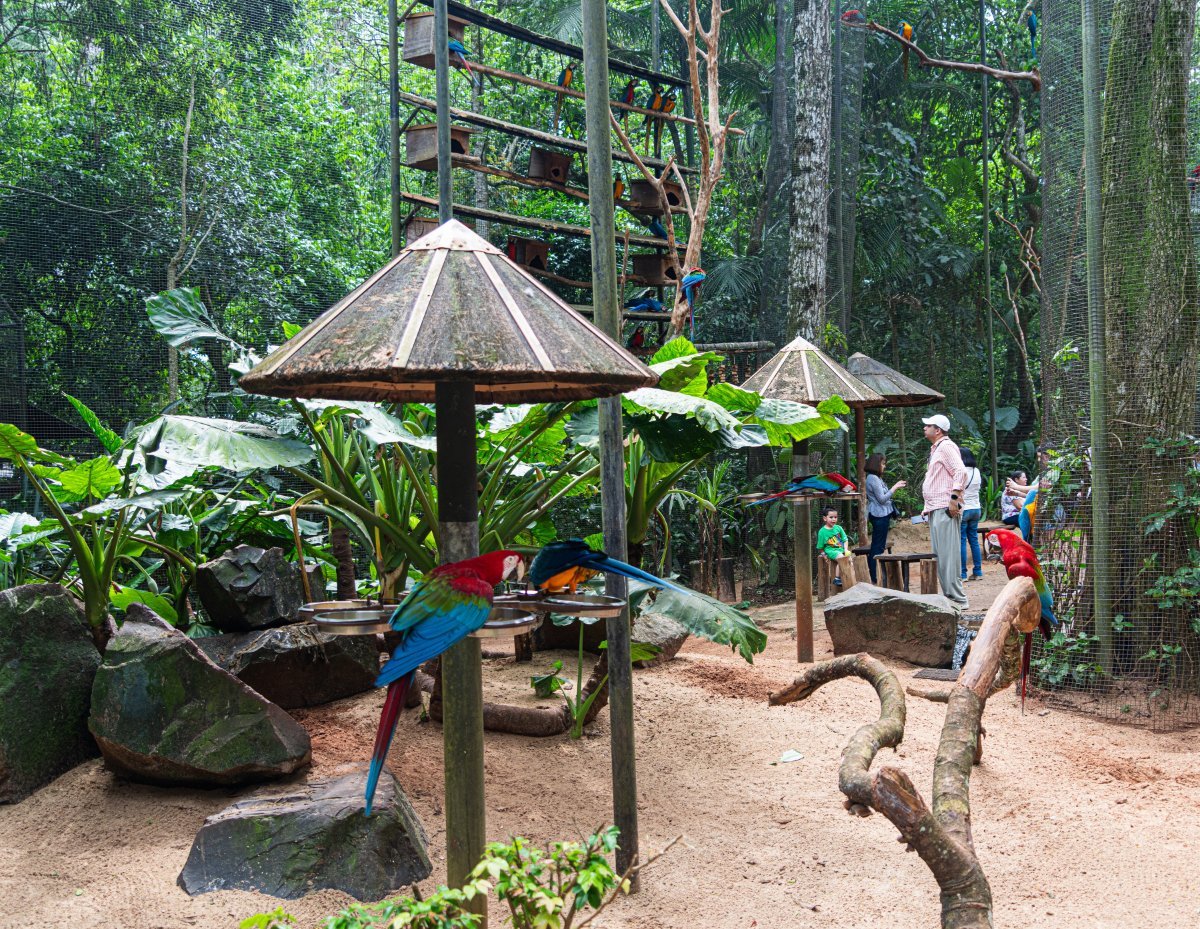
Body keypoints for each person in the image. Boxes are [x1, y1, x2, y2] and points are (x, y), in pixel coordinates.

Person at [920, 414, 969, 608]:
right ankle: (950, 597)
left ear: (938, 430)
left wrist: (954, 498)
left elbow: (961, 471)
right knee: (940, 556)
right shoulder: (936, 448)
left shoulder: (947, 446)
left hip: (945, 508)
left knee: (948, 556)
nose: (924, 428)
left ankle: (958, 599)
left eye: (928, 425)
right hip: (936, 508)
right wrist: (927, 507)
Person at [864, 453, 906, 584]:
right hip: (879, 515)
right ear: (876, 464)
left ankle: (877, 576)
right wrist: (895, 487)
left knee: (879, 546)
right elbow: (882, 499)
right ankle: (874, 577)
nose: (884, 466)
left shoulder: (876, 478)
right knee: (877, 547)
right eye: (882, 463)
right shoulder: (873, 478)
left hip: (882, 515)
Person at [958, 448, 983, 582]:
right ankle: (978, 571)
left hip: (964, 509)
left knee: (962, 540)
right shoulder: (976, 471)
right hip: (976, 509)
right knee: (974, 540)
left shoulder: (960, 472)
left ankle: (963, 574)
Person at [816, 506, 851, 586]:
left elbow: (845, 539)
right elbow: (820, 547)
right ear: (825, 518)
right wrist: (824, 555)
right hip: (831, 551)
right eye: (831, 517)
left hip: (841, 549)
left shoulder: (839, 528)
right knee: (842, 558)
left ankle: (849, 578)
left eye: (835, 517)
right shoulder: (822, 532)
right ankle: (837, 578)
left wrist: (845, 549)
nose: (834, 519)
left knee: (850, 560)